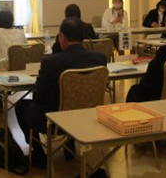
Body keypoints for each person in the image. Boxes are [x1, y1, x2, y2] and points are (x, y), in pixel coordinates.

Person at [15, 17, 108, 168]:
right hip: (89, 117)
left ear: (62, 37)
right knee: (73, 104)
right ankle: (69, 146)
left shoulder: (51, 62)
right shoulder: (100, 59)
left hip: (56, 122)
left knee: (21, 107)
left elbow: (38, 97)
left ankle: (39, 155)